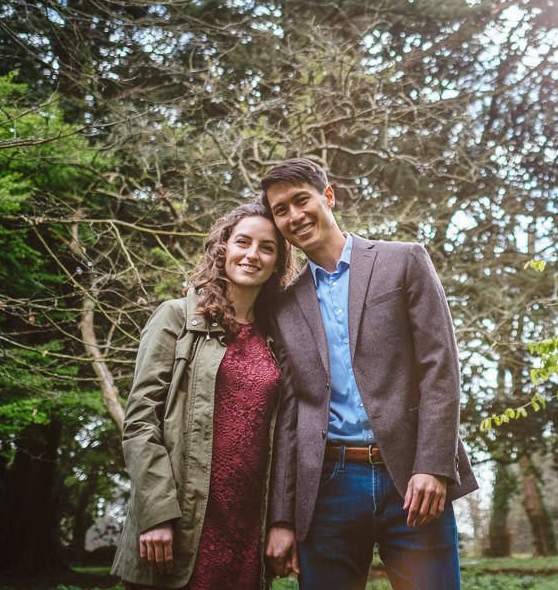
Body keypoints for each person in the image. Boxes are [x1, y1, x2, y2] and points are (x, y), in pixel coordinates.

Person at [259, 157, 478, 590]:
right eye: (280, 209)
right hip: (326, 487)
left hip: (412, 480)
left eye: (301, 200)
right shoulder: (282, 306)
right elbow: (290, 416)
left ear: (329, 196)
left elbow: (440, 368)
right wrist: (281, 517)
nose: (293, 216)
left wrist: (434, 466)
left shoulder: (404, 262)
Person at [112, 202, 293, 590]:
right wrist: (156, 514)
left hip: (246, 529)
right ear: (223, 248)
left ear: (278, 262)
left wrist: (282, 521)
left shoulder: (278, 340)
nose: (252, 254)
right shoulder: (176, 317)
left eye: (267, 247)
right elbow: (140, 421)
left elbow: (286, 439)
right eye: (242, 241)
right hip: (181, 525)